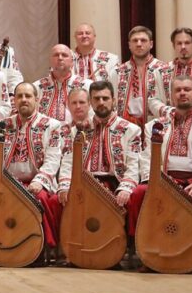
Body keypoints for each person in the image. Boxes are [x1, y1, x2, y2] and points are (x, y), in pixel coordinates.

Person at [126, 75, 192, 272]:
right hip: (163, 181)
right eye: (178, 90)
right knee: (140, 193)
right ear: (171, 96)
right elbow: (146, 157)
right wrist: (157, 183)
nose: (182, 93)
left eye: (187, 89)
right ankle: (147, 253)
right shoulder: (154, 126)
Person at [0, 82, 66, 263]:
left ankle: (42, 248)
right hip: (8, 184)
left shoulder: (52, 126)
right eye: (19, 96)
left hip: (37, 183)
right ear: (14, 101)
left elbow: (53, 159)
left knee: (40, 198)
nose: (24, 100)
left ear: (37, 99)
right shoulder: (3, 125)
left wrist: (39, 181)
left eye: (28, 96)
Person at [56, 82, 143, 212]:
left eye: (105, 98)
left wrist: (126, 188)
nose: (101, 102)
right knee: (57, 201)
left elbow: (133, 164)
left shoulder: (131, 130)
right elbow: (68, 162)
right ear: (91, 102)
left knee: (131, 199)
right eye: (96, 99)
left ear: (113, 101)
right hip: (83, 185)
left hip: (115, 184)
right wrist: (64, 186)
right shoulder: (78, 130)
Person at [116, 26, 166, 125]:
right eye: (135, 41)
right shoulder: (118, 71)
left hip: (155, 126)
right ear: (129, 45)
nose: (139, 44)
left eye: (143, 40)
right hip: (127, 127)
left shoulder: (163, 69)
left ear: (151, 44)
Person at [32, 44, 91, 123]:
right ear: (50, 61)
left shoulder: (87, 85)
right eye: (56, 55)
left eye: (64, 55)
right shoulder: (36, 87)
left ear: (72, 61)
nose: (60, 58)